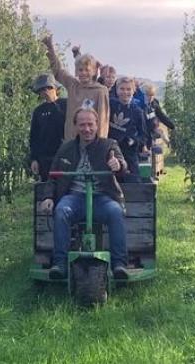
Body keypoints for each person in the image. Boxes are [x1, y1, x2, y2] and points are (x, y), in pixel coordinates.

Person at [40, 104, 129, 280]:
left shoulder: (108, 145)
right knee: (61, 211)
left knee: (115, 211)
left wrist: (118, 165)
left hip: (102, 198)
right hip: (74, 198)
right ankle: (60, 263)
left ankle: (120, 264)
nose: (87, 129)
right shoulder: (66, 148)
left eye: (90, 124)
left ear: (97, 125)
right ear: (76, 126)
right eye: (82, 125)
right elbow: (52, 175)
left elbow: (122, 165)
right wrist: (48, 196)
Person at [42, 34, 109, 141]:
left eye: (87, 70)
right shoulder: (73, 84)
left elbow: (103, 120)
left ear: (93, 71)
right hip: (71, 141)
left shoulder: (100, 91)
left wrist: (100, 145)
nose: (83, 73)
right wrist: (50, 48)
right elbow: (58, 71)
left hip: (91, 143)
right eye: (80, 70)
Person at [29, 73, 67, 181]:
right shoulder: (38, 111)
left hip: (64, 155)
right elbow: (34, 137)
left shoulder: (66, 105)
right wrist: (34, 159)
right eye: (42, 90)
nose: (45, 92)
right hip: (44, 158)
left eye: (48, 88)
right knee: (47, 188)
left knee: (64, 186)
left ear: (55, 88)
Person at [109, 76, 146, 183]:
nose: (125, 92)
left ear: (133, 91)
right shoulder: (111, 105)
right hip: (110, 151)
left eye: (128, 89)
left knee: (133, 183)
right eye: (122, 89)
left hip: (129, 152)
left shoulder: (138, 112)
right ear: (117, 90)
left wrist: (133, 140)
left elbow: (143, 135)